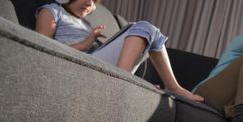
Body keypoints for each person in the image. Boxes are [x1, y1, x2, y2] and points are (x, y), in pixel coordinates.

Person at [35, 0, 203, 102]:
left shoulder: (86, 23)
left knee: (151, 34)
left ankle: (133, 82)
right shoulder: (52, 10)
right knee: (145, 27)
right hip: (77, 66)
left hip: (95, 63)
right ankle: (131, 83)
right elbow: (41, 50)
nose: (89, 3)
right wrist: (85, 45)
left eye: (93, 1)